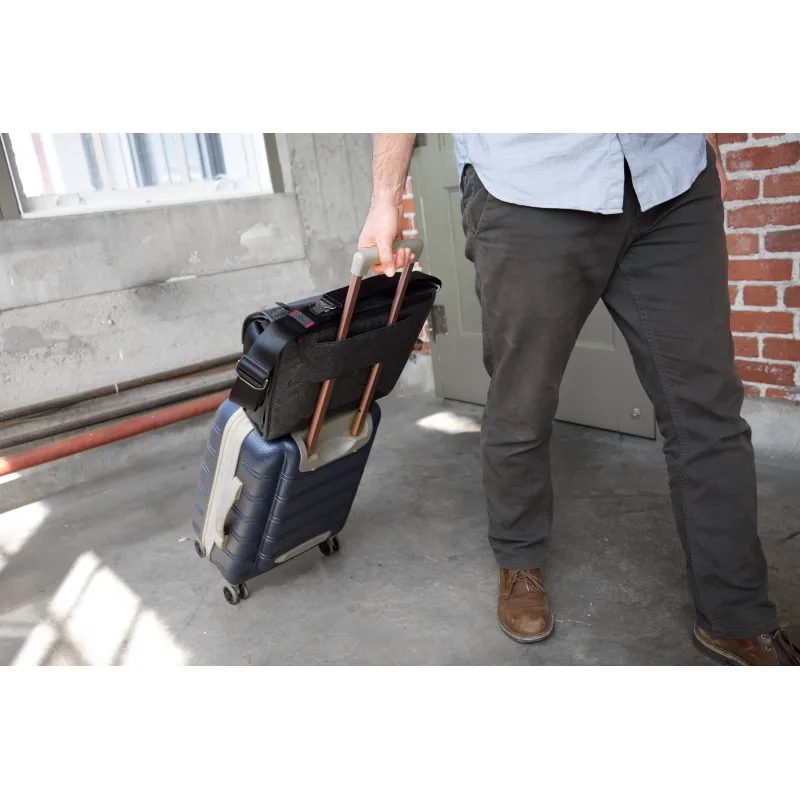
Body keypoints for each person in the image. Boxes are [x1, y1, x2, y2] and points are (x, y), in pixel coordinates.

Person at [358, 133, 800, 666]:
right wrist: (385, 198)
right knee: (521, 404)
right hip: (529, 185)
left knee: (709, 411)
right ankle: (519, 558)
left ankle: (737, 617)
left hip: (669, 173)